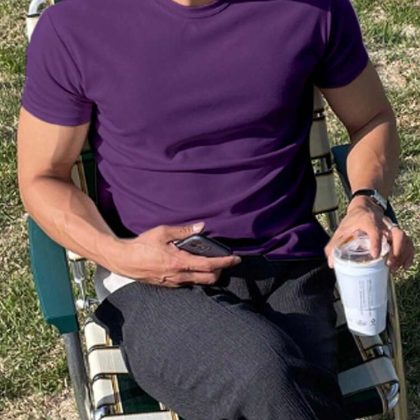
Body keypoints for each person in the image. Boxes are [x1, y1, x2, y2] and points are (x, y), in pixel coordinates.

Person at [17, 0, 414, 418]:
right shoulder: (77, 23)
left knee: (281, 390)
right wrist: (119, 255)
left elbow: (371, 118)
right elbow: (43, 177)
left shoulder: (312, 8)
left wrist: (366, 203)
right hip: (153, 280)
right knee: (268, 376)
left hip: (289, 266)